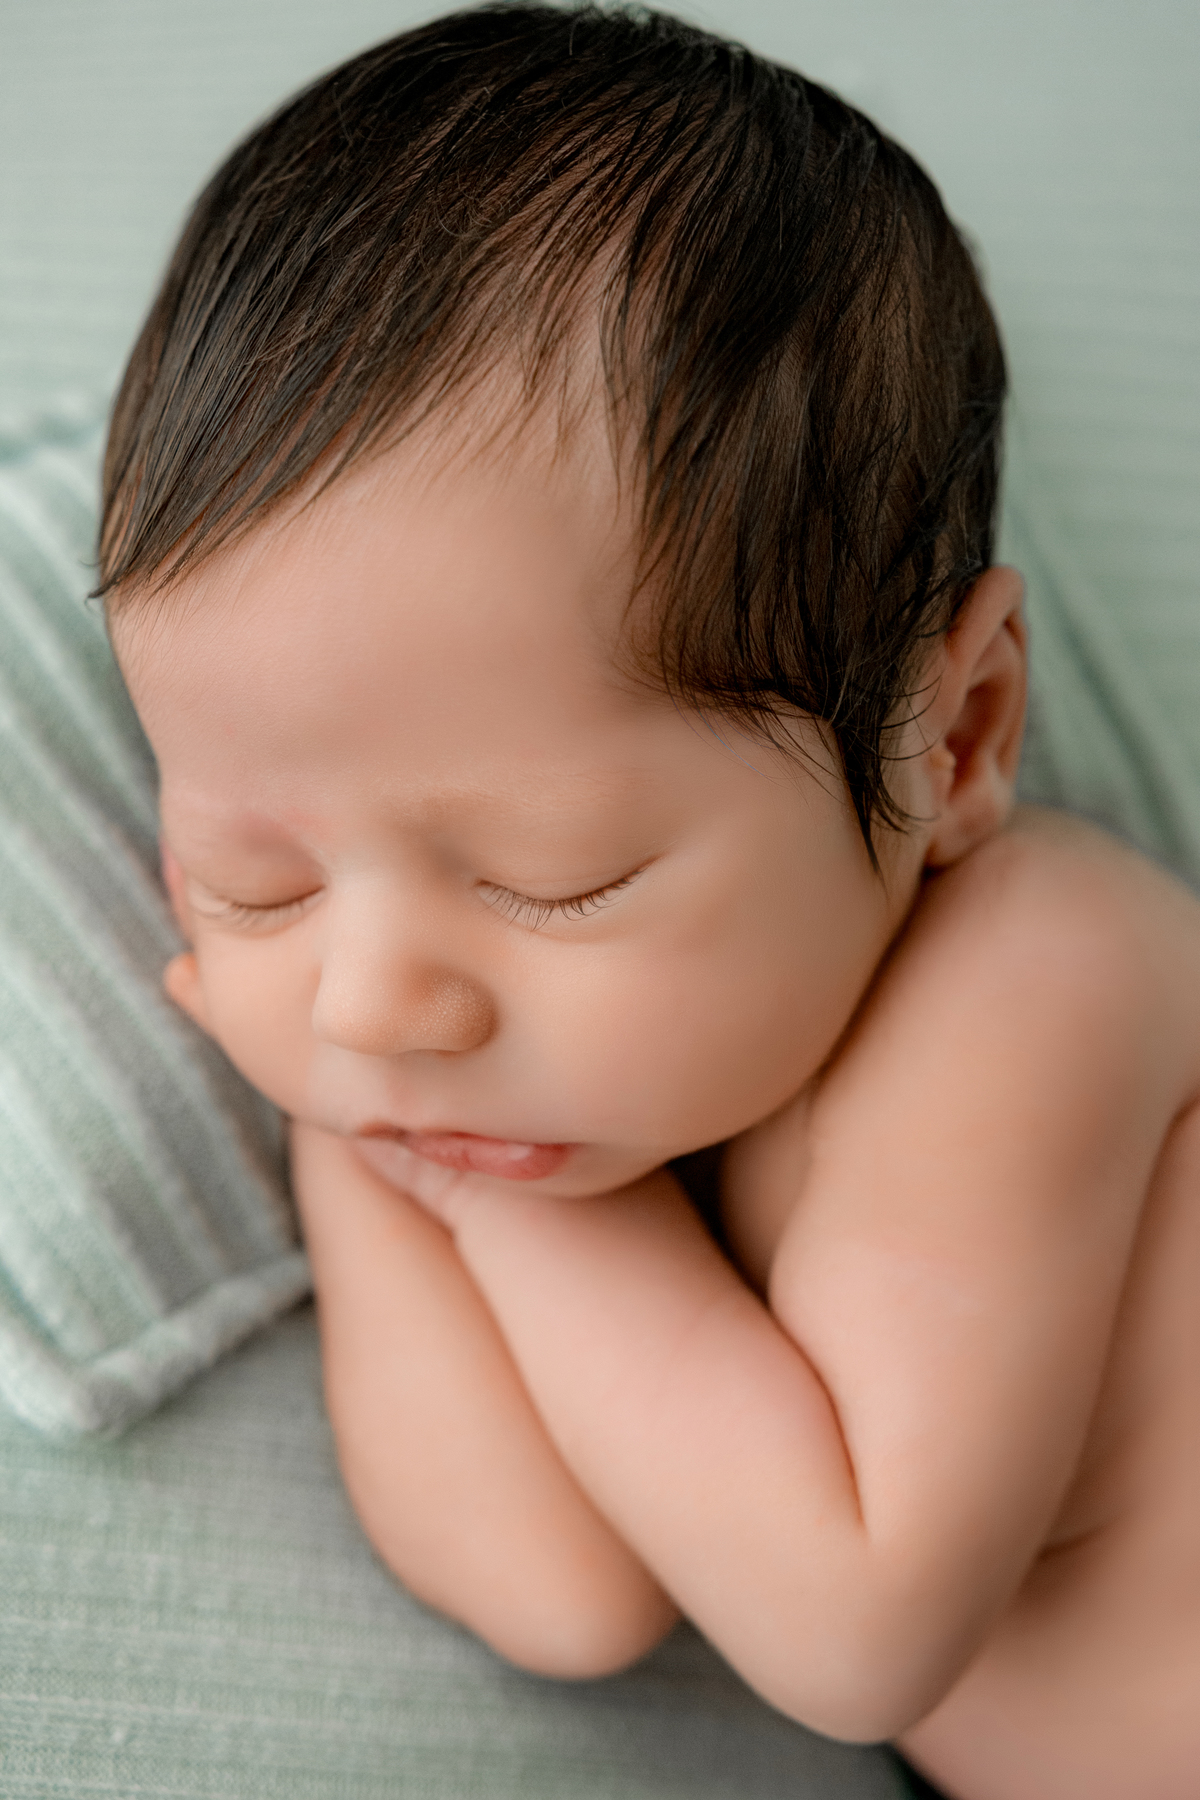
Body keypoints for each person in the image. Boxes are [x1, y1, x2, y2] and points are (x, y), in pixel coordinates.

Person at [98, 7, 1200, 1796]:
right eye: (259, 879)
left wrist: (473, 1190)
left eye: (559, 877)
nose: (372, 998)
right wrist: (372, 1143)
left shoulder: (1040, 972)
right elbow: (561, 1588)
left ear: (955, 735)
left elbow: (853, 1624)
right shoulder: (611, 1095)